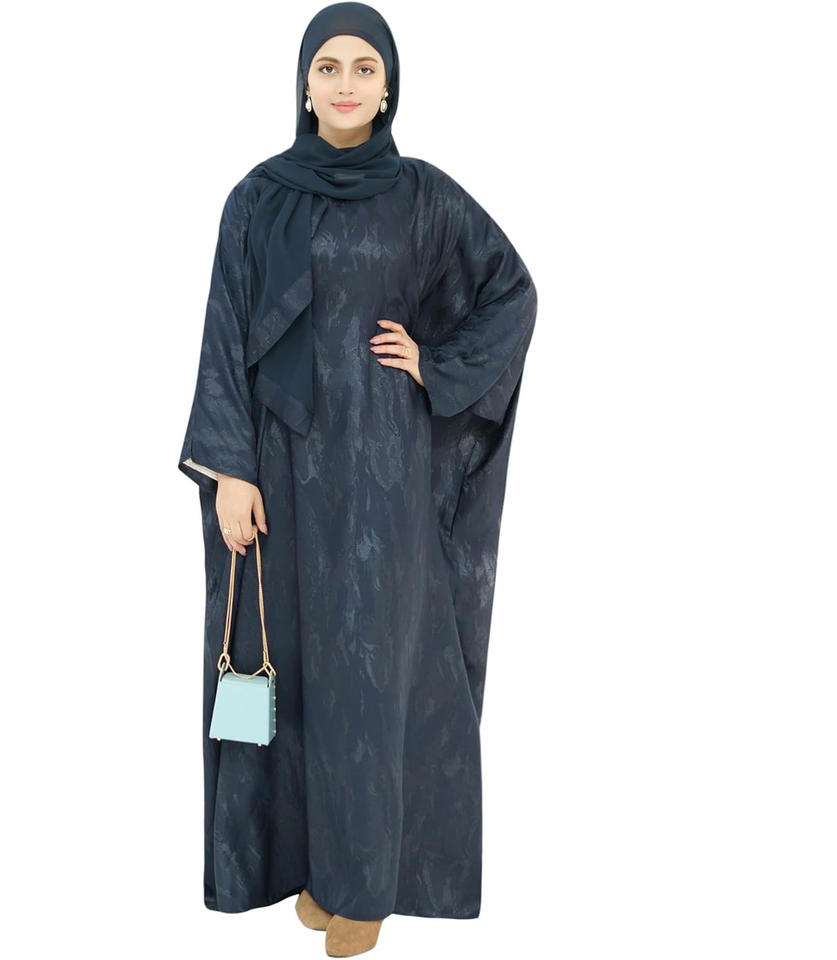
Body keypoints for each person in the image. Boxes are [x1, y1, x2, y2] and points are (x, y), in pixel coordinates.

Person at [177, 3, 537, 955]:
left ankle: (364, 885)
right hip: (278, 475)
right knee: (288, 669)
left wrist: (436, 365)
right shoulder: (256, 198)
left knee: (369, 677)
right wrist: (228, 471)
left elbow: (512, 291)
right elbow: (223, 336)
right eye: (328, 66)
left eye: (364, 68)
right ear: (304, 84)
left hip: (382, 481)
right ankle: (308, 869)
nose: (345, 83)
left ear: (387, 88)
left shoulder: (423, 199)